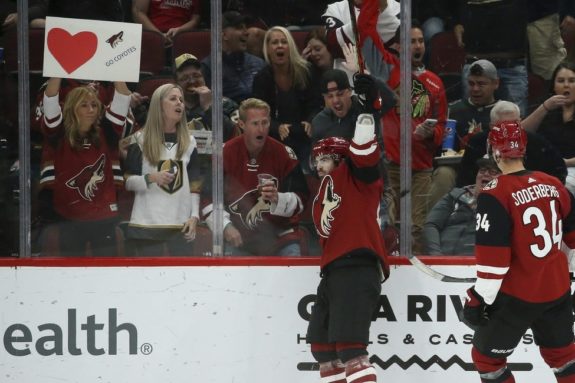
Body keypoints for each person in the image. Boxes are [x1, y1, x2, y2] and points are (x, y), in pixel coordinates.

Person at [461, 120, 575, 383]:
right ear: (523, 149)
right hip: (557, 291)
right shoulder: (554, 184)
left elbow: (494, 265)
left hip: (517, 296)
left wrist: (477, 299)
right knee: (564, 358)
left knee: (487, 360)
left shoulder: (495, 193)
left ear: (495, 151)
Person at [307, 114, 389, 383]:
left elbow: (364, 152)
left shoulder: (360, 178)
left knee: (352, 351)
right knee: (323, 351)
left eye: (325, 159)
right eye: (316, 160)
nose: (318, 166)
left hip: (357, 267)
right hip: (333, 272)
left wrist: (364, 115)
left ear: (342, 160)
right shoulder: (325, 188)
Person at [202, 98, 309, 256]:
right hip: (240, 240)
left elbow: (301, 200)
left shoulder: (285, 155)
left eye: (264, 123)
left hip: (281, 238)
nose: (261, 129)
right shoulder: (224, 154)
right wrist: (225, 226)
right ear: (242, 124)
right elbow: (208, 199)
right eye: (255, 123)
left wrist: (278, 199)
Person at [39, 77, 131, 256]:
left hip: (104, 217)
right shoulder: (58, 133)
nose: (91, 110)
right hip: (69, 218)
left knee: (105, 275)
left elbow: (123, 96)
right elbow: (50, 98)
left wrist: (117, 67)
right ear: (72, 108)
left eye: (94, 105)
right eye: (84, 105)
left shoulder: (107, 131)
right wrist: (58, 67)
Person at [123, 83, 201, 256]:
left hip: (181, 226)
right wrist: (152, 178)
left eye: (181, 100)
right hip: (147, 226)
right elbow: (128, 182)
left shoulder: (190, 142)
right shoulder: (139, 140)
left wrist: (194, 216)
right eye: (173, 99)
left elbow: (194, 186)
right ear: (158, 105)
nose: (179, 103)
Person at [429, 59, 500, 207]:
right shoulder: (454, 109)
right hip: (458, 167)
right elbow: (444, 148)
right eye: (471, 83)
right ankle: (435, 222)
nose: (475, 89)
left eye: (481, 84)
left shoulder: (503, 110)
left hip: (493, 168)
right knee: (443, 173)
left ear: (496, 84)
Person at [252, 26, 322, 174]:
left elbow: (316, 104)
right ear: (268, 49)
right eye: (275, 42)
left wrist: (311, 120)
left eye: (284, 42)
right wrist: (276, 127)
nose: (279, 46)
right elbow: (258, 113)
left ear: (290, 47)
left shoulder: (307, 71)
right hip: (277, 137)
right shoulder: (261, 78)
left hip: (304, 134)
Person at [456, 100, 567, 188]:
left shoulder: (535, 142)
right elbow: (463, 179)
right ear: (491, 127)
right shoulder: (477, 142)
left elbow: (559, 170)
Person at [453, 0, 529, 116]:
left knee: (515, 127)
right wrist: (456, 21)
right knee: (470, 125)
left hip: (511, 63)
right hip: (475, 63)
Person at [423, 158, 501, 256]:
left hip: (480, 264)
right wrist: (436, 255)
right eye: (482, 170)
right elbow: (431, 225)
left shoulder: (507, 205)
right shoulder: (455, 196)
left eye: (493, 172)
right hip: (444, 261)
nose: (485, 174)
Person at [521, 61, 575, 194]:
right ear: (554, 86)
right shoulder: (545, 107)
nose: (566, 85)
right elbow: (519, 133)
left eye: (572, 80)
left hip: (572, 167)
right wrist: (544, 107)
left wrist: (566, 163)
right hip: (541, 168)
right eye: (561, 81)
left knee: (561, 189)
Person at [201, 11, 265, 104]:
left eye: (246, 27)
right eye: (239, 28)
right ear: (224, 35)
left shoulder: (259, 63)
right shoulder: (209, 67)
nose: (247, 32)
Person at [174, 53, 239, 142]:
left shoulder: (227, 104)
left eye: (196, 76)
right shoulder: (169, 108)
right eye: (185, 78)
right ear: (176, 84)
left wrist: (209, 107)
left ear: (204, 78)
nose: (192, 81)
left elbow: (236, 137)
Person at [132, 0, 201, 46]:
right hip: (151, 37)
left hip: (182, 39)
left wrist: (180, 30)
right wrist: (158, 36)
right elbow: (138, 12)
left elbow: (195, 19)